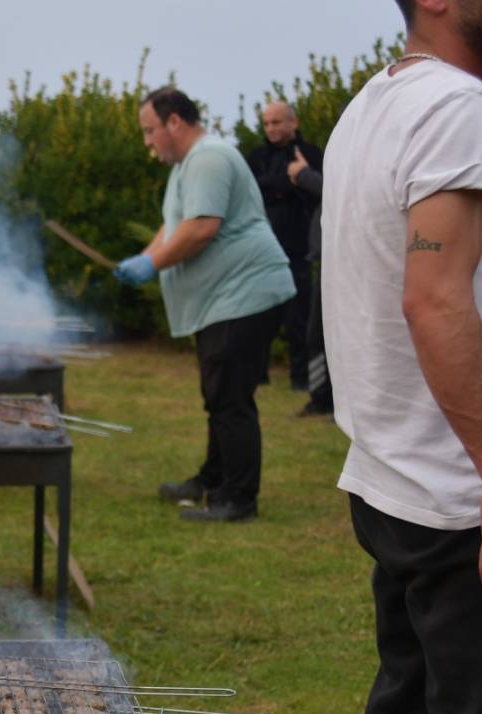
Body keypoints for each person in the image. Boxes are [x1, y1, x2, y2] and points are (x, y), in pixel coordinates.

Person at [320, 2, 482, 714]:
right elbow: (433, 300)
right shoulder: (460, 108)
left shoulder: (373, 104)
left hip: (392, 475)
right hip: (455, 488)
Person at [115, 87, 295, 522]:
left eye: (150, 130)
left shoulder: (209, 158)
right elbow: (174, 225)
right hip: (225, 299)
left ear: (175, 122)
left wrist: (152, 264)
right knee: (219, 394)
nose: (147, 141)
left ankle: (238, 500)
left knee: (230, 398)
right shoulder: (187, 166)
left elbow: (200, 228)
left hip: (244, 293)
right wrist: (146, 257)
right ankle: (214, 479)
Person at [247, 101, 324, 389]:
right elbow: (252, 190)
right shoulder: (256, 157)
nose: (271, 129)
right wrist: (285, 184)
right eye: (266, 123)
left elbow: (318, 191)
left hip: (298, 247)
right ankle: (257, 374)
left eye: (277, 122)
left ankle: (301, 378)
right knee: (258, 312)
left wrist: (284, 184)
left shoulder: (310, 154)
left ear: (294, 122)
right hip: (262, 247)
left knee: (299, 318)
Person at [287, 148, 332, 416]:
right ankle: (320, 399)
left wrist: (304, 174)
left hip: (343, 261)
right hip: (327, 261)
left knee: (328, 336)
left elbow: (336, 190)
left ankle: (329, 401)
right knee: (317, 335)